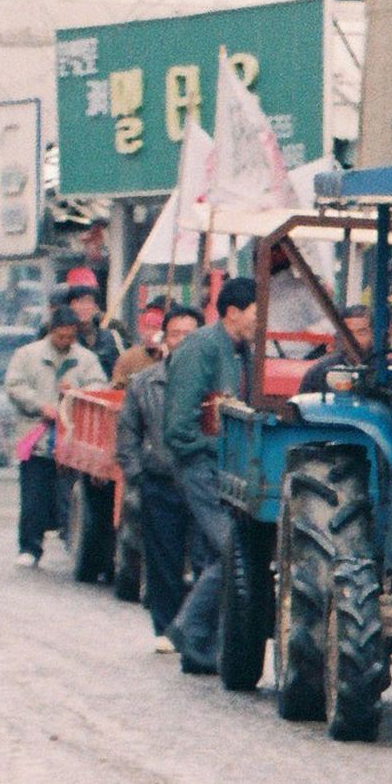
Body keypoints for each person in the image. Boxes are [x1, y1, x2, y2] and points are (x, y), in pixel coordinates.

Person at [166, 280, 264, 676]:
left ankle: (198, 646)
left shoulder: (239, 351)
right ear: (233, 312)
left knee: (219, 554)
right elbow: (178, 426)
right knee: (232, 552)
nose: (261, 323)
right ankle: (187, 627)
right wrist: (213, 449)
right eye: (257, 313)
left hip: (226, 467)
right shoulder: (200, 348)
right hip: (201, 465)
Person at [120, 306, 205, 650]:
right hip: (161, 481)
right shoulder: (145, 382)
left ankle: (199, 629)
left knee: (206, 559)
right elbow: (127, 434)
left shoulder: (216, 382)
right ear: (164, 339)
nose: (183, 341)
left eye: (191, 334)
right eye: (176, 334)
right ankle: (167, 628)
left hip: (204, 484)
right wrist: (138, 475)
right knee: (163, 560)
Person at [4, 301, 104, 565]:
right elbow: (14, 386)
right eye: (61, 336)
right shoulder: (27, 354)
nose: (65, 340)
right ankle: (30, 546)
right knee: (33, 497)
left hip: (71, 439)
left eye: (71, 336)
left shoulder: (86, 359)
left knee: (69, 496)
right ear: (51, 330)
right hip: (37, 436)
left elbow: (99, 386)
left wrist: (78, 392)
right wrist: (40, 405)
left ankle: (71, 542)